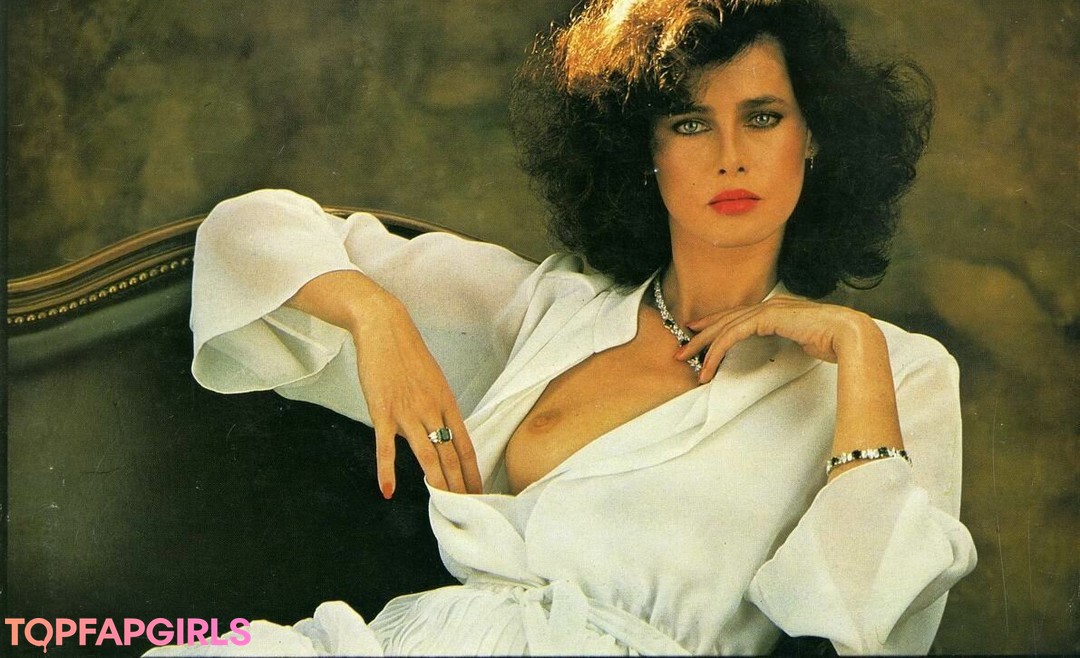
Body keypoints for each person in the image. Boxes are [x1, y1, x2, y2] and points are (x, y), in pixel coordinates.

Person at [149, 0, 977, 654]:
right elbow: (246, 229)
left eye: (763, 117)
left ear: (815, 139)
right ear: (644, 152)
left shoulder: (896, 370)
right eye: (690, 123)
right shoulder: (547, 310)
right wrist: (376, 314)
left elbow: (869, 621)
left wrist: (856, 350)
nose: (730, 154)